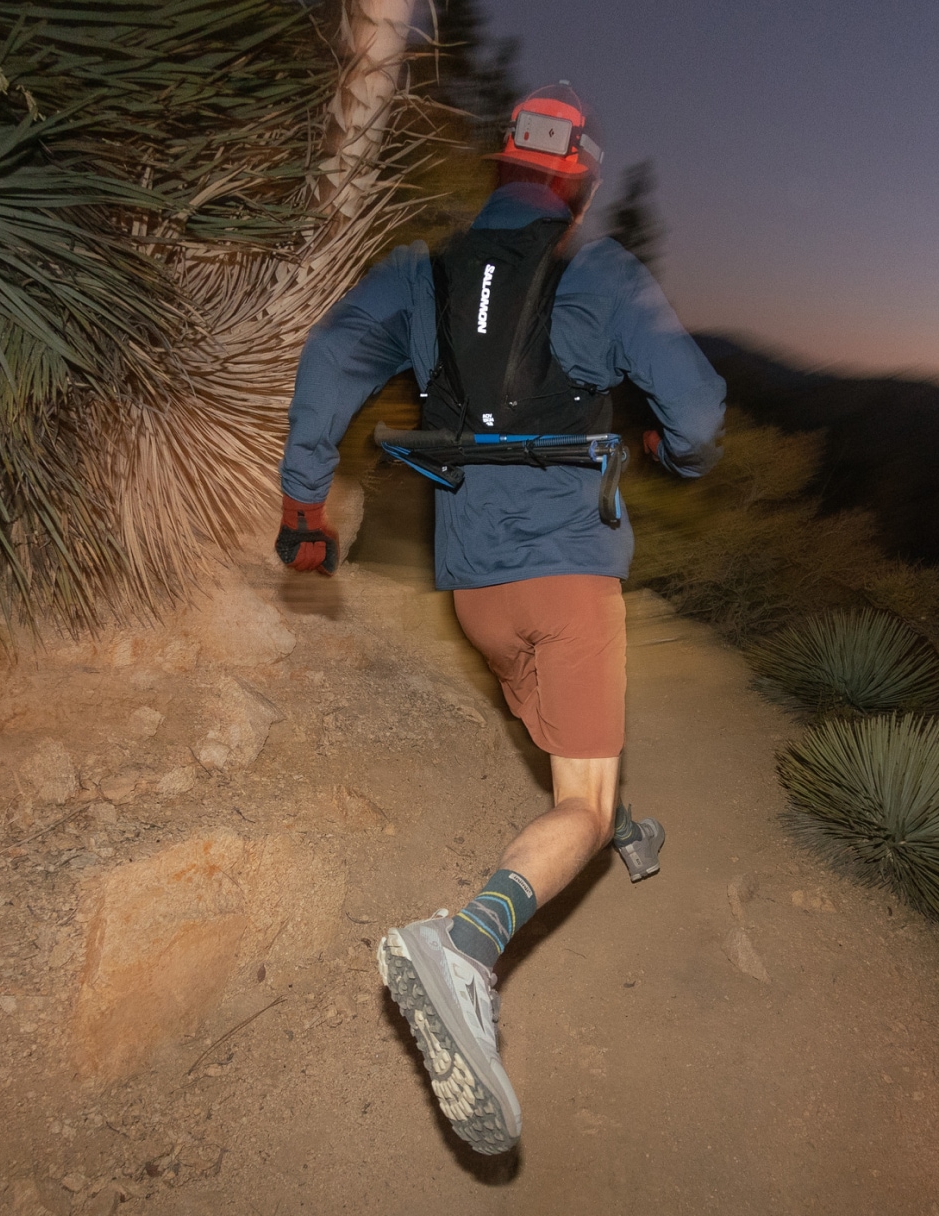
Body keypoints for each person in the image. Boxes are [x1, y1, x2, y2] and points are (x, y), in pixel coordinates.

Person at [277, 83, 726, 1155]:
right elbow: (698, 409)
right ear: (576, 178)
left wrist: (304, 505)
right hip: (567, 572)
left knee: (552, 710)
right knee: (575, 787)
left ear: (501, 164)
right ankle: (465, 947)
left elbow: (330, 361)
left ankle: (618, 817)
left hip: (472, 587)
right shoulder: (602, 272)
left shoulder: (421, 273)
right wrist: (679, 451)